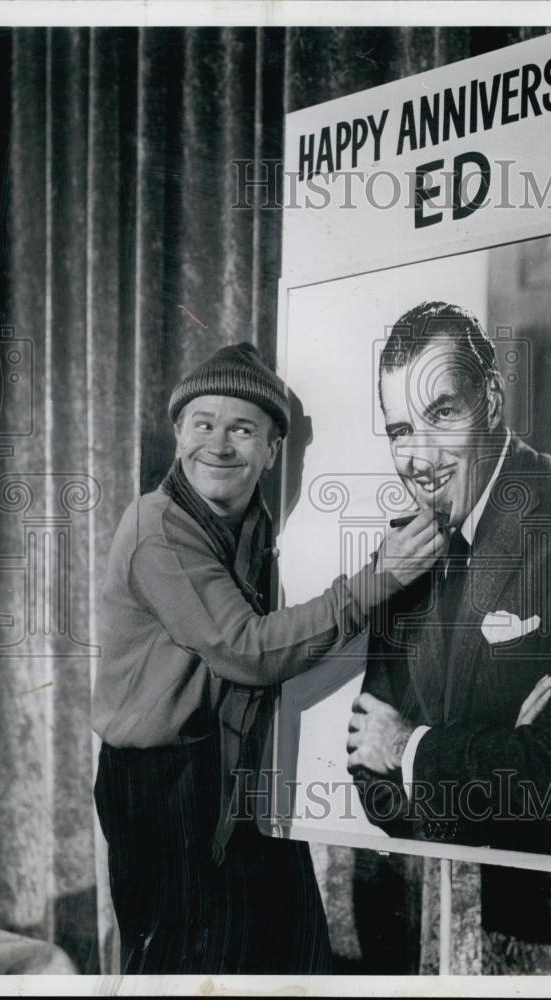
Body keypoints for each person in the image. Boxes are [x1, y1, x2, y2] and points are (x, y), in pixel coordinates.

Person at [91, 341, 444, 974]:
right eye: (203, 424)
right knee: (185, 968)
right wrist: (379, 580)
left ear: (271, 451)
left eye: (242, 429)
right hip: (163, 783)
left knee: (289, 950)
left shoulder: (254, 520)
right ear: (178, 435)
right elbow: (245, 650)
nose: (219, 445)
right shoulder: (158, 524)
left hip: (235, 771)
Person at [348, 302, 551, 865]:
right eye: (400, 430)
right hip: (445, 897)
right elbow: (370, 773)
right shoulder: (403, 549)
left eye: (441, 415)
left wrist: (409, 746)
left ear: (489, 398)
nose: (420, 457)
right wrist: (501, 747)